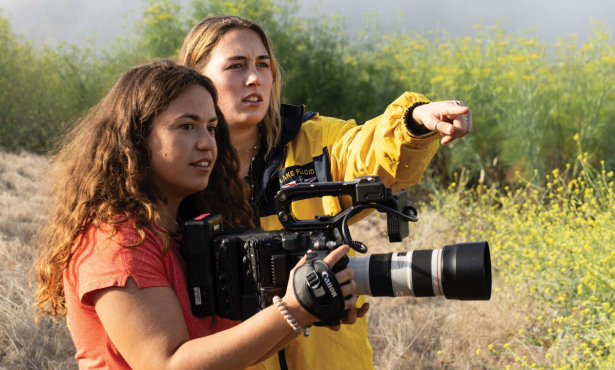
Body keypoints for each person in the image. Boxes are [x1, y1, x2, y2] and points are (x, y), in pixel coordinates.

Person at [178, 15, 474, 370]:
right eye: (236, 66)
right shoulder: (178, 163)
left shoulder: (312, 139)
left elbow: (365, 152)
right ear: (197, 79)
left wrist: (413, 122)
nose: (254, 78)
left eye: (263, 65)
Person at [32, 59, 359, 370]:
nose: (207, 144)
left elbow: (230, 354)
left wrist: (309, 310)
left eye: (212, 128)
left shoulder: (182, 228)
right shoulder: (117, 242)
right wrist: (292, 310)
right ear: (137, 138)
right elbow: (168, 363)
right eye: (186, 126)